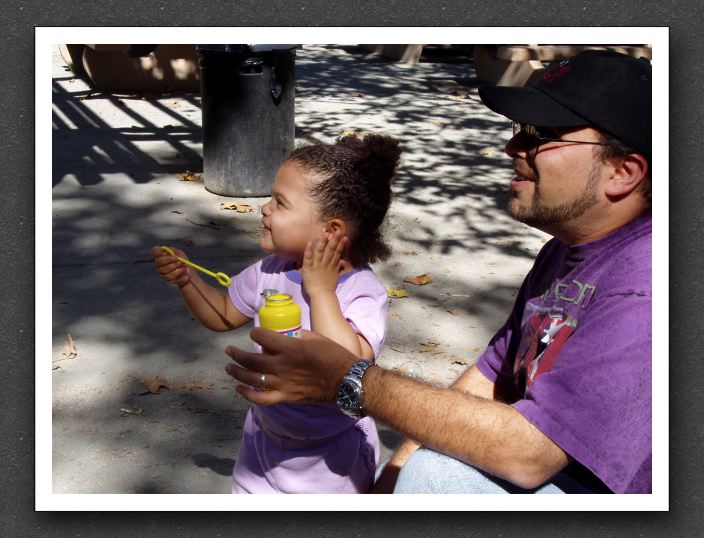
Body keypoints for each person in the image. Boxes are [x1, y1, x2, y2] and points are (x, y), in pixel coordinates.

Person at [223, 50, 653, 494]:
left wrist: (350, 380)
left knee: (436, 477)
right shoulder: (564, 253)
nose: (513, 148)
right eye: (519, 131)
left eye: (540, 137)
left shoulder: (644, 287)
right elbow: (488, 378)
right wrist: (387, 484)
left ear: (623, 172)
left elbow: (530, 454)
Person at [150, 132, 402, 493]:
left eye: (280, 202)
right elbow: (224, 314)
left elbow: (349, 367)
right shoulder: (274, 269)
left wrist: (320, 291)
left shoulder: (361, 292)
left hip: (331, 461)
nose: (265, 208)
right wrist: (187, 280)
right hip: (262, 445)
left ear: (331, 231)